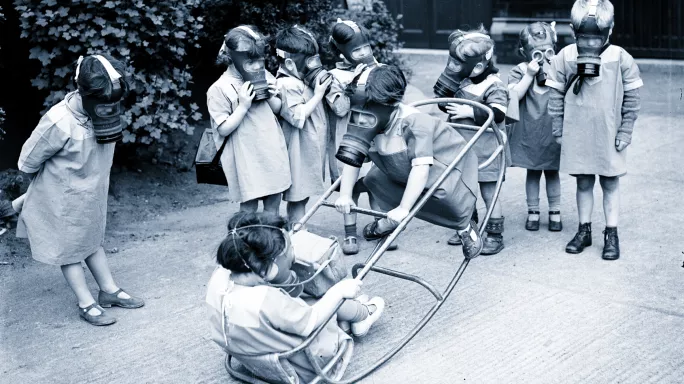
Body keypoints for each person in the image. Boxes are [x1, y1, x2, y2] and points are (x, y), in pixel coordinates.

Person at [16, 54, 144, 326]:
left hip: (91, 192)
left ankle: (108, 290)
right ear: (82, 90)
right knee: (69, 248)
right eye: (103, 102)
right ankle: (86, 302)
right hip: (61, 198)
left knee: (91, 239)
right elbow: (27, 162)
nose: (108, 108)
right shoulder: (59, 120)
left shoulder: (106, 108)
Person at [206, 212, 385, 383]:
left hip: (253, 354)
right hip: (300, 364)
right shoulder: (267, 300)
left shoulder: (219, 278)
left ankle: (346, 321)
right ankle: (363, 314)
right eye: (288, 251)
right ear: (271, 267)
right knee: (322, 298)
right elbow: (311, 320)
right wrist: (338, 292)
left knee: (298, 299)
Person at [334, 65, 483, 259]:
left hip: (443, 169)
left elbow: (421, 169)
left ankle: (465, 227)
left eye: (368, 107)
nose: (361, 114)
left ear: (392, 104)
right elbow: (353, 157)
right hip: (398, 168)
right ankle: (390, 220)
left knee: (444, 195)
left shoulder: (416, 124)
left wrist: (404, 208)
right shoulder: (365, 119)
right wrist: (345, 195)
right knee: (372, 180)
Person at [546, 0, 642, 260]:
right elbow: (554, 95)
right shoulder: (565, 56)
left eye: (596, 38)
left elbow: (632, 98)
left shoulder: (620, 57)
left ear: (609, 31)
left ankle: (611, 233)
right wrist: (558, 129)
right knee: (583, 182)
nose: (590, 45)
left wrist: (625, 131)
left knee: (610, 182)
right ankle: (584, 229)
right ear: (573, 31)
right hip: (578, 133)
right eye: (584, 38)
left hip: (609, 134)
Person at [434, 26, 511, 255]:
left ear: (478, 65)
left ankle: (495, 235)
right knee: (464, 190)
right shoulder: (463, 80)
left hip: (486, 150)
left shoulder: (494, 85)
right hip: (461, 148)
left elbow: (498, 112)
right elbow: (444, 103)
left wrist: (469, 111)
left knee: (489, 192)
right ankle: (469, 228)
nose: (453, 68)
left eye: (457, 64)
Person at [207, 25, 291, 214]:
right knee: (249, 205)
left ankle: (271, 240)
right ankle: (247, 241)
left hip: (271, 149)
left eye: (260, 62)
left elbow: (277, 109)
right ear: (231, 58)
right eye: (250, 62)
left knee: (273, 200)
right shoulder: (219, 89)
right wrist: (243, 106)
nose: (257, 67)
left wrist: (271, 96)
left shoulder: (265, 75)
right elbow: (223, 129)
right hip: (246, 155)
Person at [326, 19, 381, 254]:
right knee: (352, 187)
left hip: (375, 136)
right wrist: (356, 82)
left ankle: (381, 227)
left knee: (377, 184)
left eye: (366, 47)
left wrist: (378, 76)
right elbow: (339, 108)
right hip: (347, 137)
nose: (364, 53)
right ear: (343, 52)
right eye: (357, 50)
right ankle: (350, 234)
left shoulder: (378, 67)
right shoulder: (332, 76)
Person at [275, 25, 333, 225]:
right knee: (298, 197)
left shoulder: (299, 79)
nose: (315, 66)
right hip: (298, 151)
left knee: (304, 193)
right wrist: (318, 95)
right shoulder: (287, 84)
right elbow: (297, 117)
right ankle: (298, 233)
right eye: (310, 61)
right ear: (290, 63)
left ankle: (297, 230)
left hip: (309, 148)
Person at [508, 22, 563, 232]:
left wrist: (555, 68)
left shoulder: (558, 68)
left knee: (552, 172)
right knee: (532, 172)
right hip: (529, 132)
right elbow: (513, 96)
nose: (543, 56)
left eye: (548, 50)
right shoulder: (519, 70)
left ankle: (555, 212)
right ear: (524, 52)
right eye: (536, 53)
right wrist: (529, 75)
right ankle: (533, 212)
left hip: (551, 131)